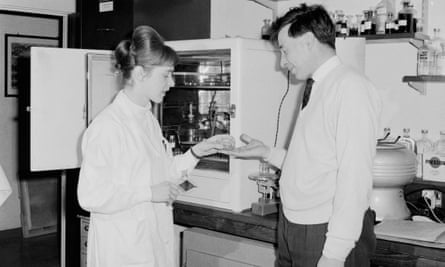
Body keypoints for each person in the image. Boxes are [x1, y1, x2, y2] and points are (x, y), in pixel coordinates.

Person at [222, 4, 382, 267]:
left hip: (325, 231)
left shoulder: (350, 88)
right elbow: (314, 164)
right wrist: (267, 153)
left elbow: (354, 179)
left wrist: (334, 255)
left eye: (284, 50)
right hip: (294, 224)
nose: (282, 62)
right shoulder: (317, 86)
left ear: (308, 42)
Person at [77, 25, 234, 267]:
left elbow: (162, 174)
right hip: (123, 250)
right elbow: (90, 195)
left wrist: (197, 152)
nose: (171, 83)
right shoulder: (108, 127)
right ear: (140, 74)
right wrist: (148, 193)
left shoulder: (147, 119)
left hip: (150, 243)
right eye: (166, 74)